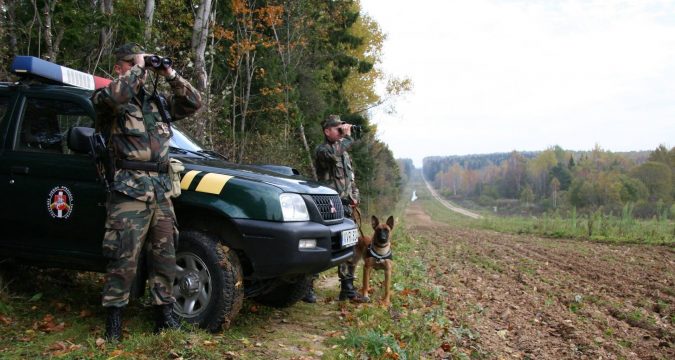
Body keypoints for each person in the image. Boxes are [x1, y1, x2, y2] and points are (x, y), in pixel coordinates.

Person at [92, 43, 202, 341]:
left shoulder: (158, 104)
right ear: (119, 67)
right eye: (132, 63)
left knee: (165, 255)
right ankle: (114, 320)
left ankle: (163, 315)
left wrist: (169, 73)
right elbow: (116, 95)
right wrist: (140, 67)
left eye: (140, 64)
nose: (140, 69)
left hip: (161, 191)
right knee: (123, 257)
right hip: (129, 189)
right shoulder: (109, 99)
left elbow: (193, 102)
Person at [304, 115, 361, 303]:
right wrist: (347, 137)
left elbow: (350, 176)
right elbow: (334, 153)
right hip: (327, 205)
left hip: (345, 204)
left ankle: (347, 288)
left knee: (348, 244)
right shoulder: (323, 150)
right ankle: (307, 287)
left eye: (341, 128)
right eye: (337, 129)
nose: (340, 131)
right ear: (327, 131)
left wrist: (354, 196)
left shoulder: (343, 152)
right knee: (322, 245)